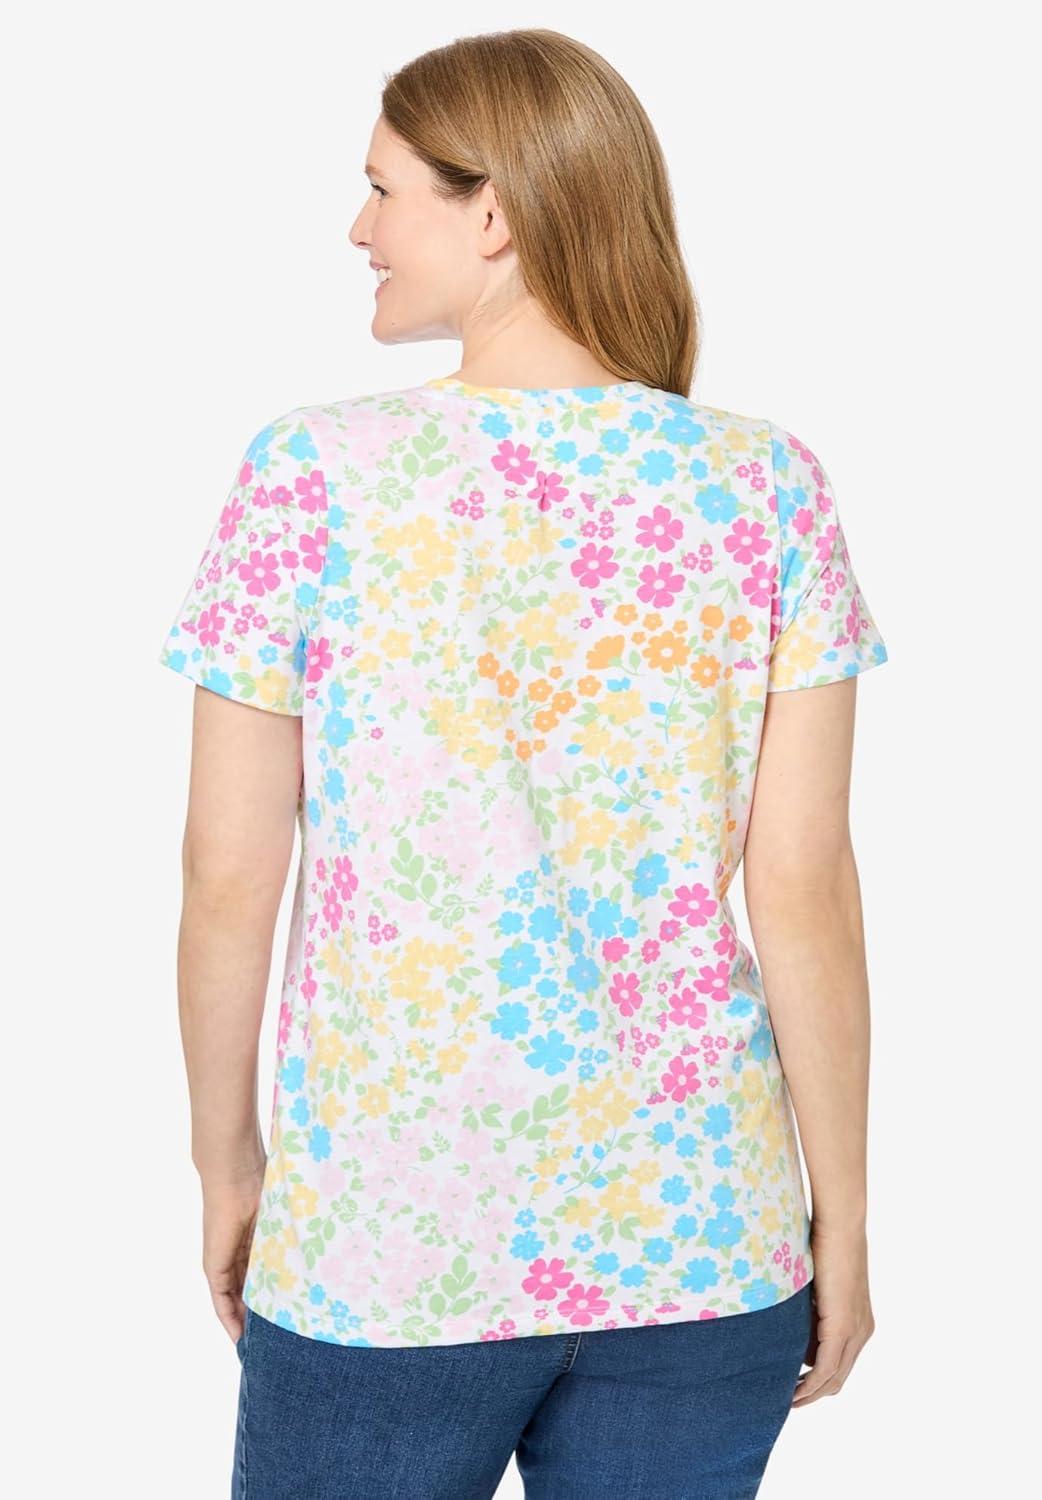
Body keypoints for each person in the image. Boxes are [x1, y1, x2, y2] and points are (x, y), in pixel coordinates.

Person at [159, 27, 887, 1500]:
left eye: (384, 190)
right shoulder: (763, 484)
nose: (357, 228)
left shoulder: (313, 474)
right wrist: (844, 1220)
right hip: (701, 1249)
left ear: (491, 213)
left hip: (387, 1248)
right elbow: (802, 886)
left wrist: (228, 1169)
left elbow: (229, 877)